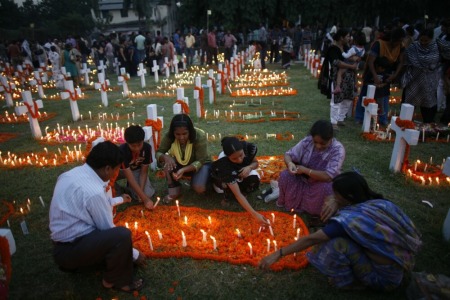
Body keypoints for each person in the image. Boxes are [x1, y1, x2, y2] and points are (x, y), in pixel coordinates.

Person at [259, 171, 422, 291]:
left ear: (348, 196)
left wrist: (278, 253)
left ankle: (348, 283)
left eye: (335, 194)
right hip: (399, 267)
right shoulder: (381, 204)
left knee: (332, 244)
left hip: (384, 279)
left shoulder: (350, 221)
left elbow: (311, 239)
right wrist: (335, 201)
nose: (332, 196)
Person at [49, 141, 145, 293]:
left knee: (118, 243)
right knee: (122, 236)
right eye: (116, 169)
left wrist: (120, 199)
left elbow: (92, 206)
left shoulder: (70, 174)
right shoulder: (94, 192)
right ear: (107, 168)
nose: (116, 174)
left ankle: (83, 264)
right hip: (71, 249)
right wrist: (135, 254)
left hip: (61, 246)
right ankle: (115, 281)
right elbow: (107, 229)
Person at [276, 120, 345, 216]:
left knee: (326, 188)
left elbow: (328, 176)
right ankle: (289, 202)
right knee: (285, 175)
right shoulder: (307, 141)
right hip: (302, 180)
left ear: (330, 139)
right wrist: (290, 163)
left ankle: (312, 210)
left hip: (319, 184)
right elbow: (288, 155)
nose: (318, 146)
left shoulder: (337, 149)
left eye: (323, 143)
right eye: (315, 142)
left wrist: (305, 170)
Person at [211, 136, 269, 226]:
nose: (239, 160)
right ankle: (227, 197)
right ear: (227, 156)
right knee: (228, 188)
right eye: (234, 158)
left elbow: (255, 163)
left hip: (240, 172)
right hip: (224, 178)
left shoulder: (247, 148)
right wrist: (255, 214)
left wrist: (249, 167)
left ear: (242, 149)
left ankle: (243, 191)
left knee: (253, 179)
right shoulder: (224, 164)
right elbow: (237, 194)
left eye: (241, 155)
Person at [355, 27, 405, 126]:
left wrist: (394, 75)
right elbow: (370, 61)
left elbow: (401, 62)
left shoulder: (401, 47)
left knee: (384, 96)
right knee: (365, 94)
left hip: (386, 73)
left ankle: (383, 118)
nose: (399, 43)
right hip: (373, 70)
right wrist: (375, 76)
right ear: (392, 39)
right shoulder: (379, 44)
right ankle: (359, 117)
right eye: (398, 41)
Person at [156, 114, 211, 202]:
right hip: (180, 162)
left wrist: (184, 170)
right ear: (173, 132)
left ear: (190, 131)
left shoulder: (199, 136)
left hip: (201, 164)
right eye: (177, 134)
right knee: (167, 163)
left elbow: (201, 160)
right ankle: (174, 190)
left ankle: (207, 183)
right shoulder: (169, 136)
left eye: (185, 133)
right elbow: (159, 152)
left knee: (199, 188)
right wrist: (165, 157)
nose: (181, 137)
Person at [402, 29, 441, 123]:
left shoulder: (435, 48)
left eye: (426, 41)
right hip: (413, 80)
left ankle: (427, 125)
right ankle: (404, 123)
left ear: (431, 39)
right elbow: (409, 57)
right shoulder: (413, 46)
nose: (423, 43)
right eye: (421, 40)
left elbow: (433, 61)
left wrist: (422, 61)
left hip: (429, 81)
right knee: (409, 104)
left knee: (427, 105)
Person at [118, 125, 155, 210]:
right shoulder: (122, 151)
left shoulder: (147, 148)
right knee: (114, 195)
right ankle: (118, 189)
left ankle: (130, 189)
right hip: (119, 171)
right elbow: (129, 177)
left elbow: (144, 172)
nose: (137, 148)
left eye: (139, 145)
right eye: (133, 146)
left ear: (143, 141)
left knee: (146, 193)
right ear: (127, 143)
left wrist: (141, 193)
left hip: (135, 170)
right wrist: (145, 199)